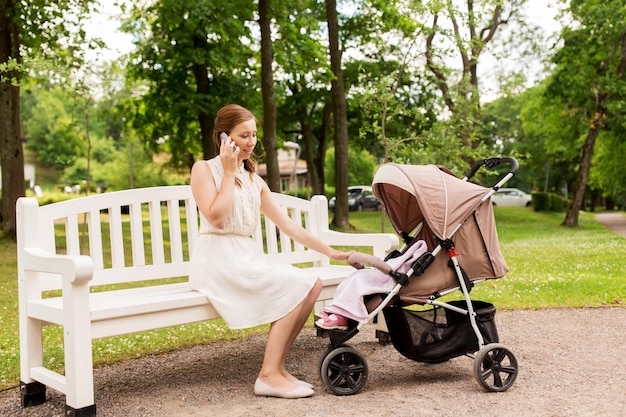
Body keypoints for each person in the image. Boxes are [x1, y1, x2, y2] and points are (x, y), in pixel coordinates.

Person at [189, 104, 353, 399]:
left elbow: (288, 225)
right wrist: (228, 172)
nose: (251, 142)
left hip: (246, 256)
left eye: (254, 135)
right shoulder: (205, 169)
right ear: (224, 137)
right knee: (297, 284)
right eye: (243, 135)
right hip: (218, 259)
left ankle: (275, 369)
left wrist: (329, 251)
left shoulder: (254, 179)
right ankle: (268, 375)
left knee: (312, 285)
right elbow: (217, 217)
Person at [315, 240, 427, 330]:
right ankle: (338, 310)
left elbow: (401, 266)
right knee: (352, 280)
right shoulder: (400, 258)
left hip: (388, 276)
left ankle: (342, 315)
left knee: (357, 281)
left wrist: (393, 273)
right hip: (382, 272)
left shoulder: (407, 263)